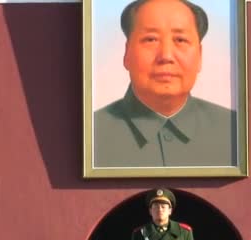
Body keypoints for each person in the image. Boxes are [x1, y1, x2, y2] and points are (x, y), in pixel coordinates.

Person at [94, 0, 237, 168]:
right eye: (151, 39)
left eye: (181, 40)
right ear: (127, 53)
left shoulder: (235, 132)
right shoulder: (91, 134)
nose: (166, 56)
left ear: (200, 55)